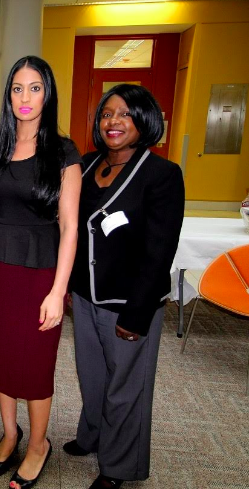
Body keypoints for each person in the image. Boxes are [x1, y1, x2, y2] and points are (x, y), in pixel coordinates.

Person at [64, 84, 184, 489]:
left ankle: (119, 466)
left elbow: (159, 251)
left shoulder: (161, 174)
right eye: (106, 114)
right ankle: (93, 435)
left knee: (126, 387)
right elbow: (72, 230)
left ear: (144, 120)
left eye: (125, 114)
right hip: (86, 295)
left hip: (130, 301)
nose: (113, 122)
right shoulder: (86, 165)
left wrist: (137, 313)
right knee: (93, 375)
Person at [0, 56, 82, 489]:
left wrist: (58, 291)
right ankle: (10, 433)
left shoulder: (63, 152)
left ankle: (38, 443)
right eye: (17, 88)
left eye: (35, 88)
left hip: (40, 272)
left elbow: (70, 227)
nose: (25, 97)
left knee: (34, 364)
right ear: (8, 95)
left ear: (47, 94)